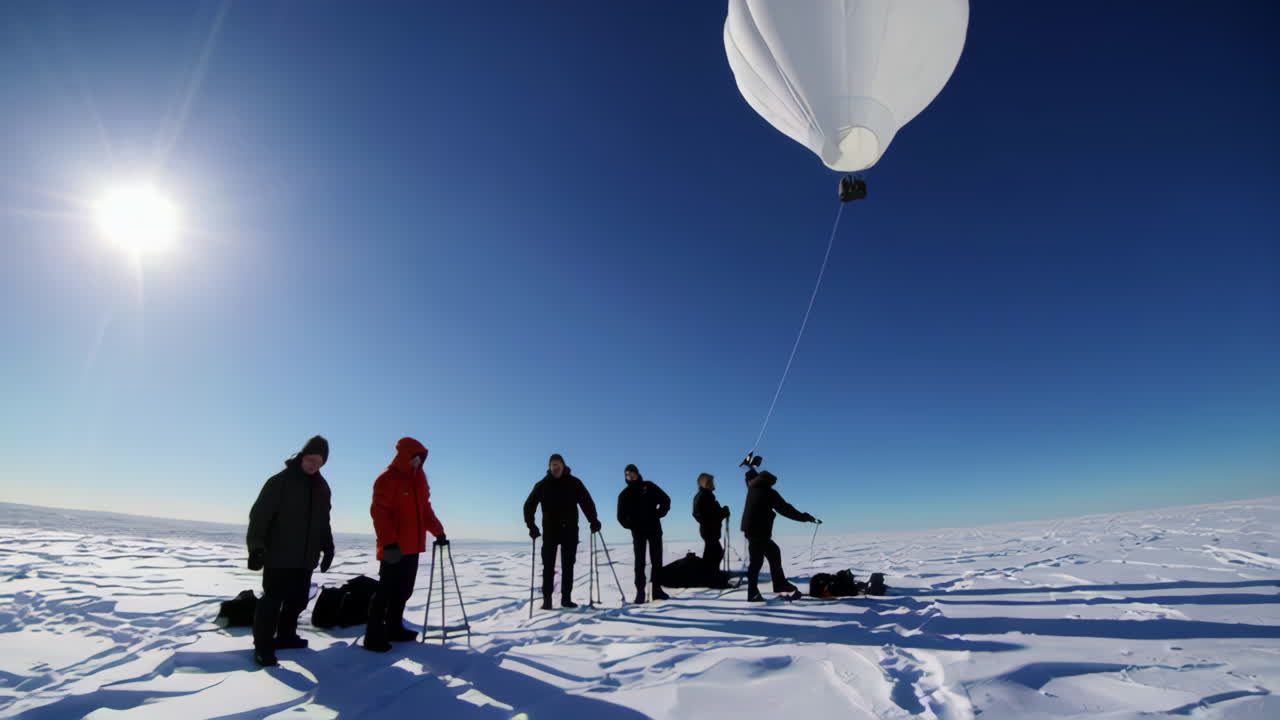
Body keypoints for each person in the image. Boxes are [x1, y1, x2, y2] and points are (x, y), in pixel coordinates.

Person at [246, 435, 335, 667]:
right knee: (272, 602)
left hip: (306, 557)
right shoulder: (280, 482)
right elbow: (259, 518)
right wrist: (256, 548)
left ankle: (286, 636)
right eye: (310, 459)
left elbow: (323, 522)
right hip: (279, 555)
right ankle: (263, 647)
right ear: (302, 456)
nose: (313, 465)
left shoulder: (322, 488)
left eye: (319, 462)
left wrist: (328, 547)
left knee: (297, 601)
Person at [364, 437, 445, 652]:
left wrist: (438, 531)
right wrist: (389, 542)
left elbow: (425, 510)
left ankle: (394, 628)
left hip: (413, 546)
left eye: (420, 458)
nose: (417, 462)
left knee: (404, 590)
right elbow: (379, 513)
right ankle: (373, 635)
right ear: (403, 456)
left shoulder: (419, 480)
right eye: (413, 457)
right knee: (385, 592)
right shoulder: (388, 478)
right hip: (394, 548)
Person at [523, 453, 601, 610]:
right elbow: (529, 505)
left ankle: (566, 599)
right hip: (550, 532)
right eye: (552, 465)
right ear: (549, 467)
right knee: (548, 567)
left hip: (570, 531)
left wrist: (593, 520)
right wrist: (531, 526)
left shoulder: (574, 483)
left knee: (568, 566)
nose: (555, 468)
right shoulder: (542, 485)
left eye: (558, 464)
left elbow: (586, 501)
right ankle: (547, 600)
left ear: (563, 466)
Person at [740, 469, 817, 602]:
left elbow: (749, 479)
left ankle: (777, 584)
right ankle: (757, 591)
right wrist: (804, 517)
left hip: (751, 530)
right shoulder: (768, 492)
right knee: (759, 560)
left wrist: (750, 467)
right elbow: (785, 509)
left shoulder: (753, 489)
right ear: (767, 481)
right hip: (759, 531)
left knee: (771, 554)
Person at [616, 463, 671, 603]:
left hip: (654, 529)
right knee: (639, 562)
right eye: (627, 474)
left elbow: (666, 499)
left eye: (632, 473)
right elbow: (620, 517)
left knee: (657, 560)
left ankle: (657, 590)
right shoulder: (624, 494)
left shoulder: (649, 486)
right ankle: (640, 592)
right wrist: (632, 525)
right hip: (638, 532)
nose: (630, 476)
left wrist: (659, 514)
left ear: (637, 473)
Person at [692, 472, 730, 571]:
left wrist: (721, 512)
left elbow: (707, 513)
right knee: (716, 553)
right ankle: (712, 577)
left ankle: (710, 576)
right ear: (707, 483)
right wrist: (724, 512)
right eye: (711, 482)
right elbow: (712, 514)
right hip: (710, 531)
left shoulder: (701, 496)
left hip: (707, 530)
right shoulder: (706, 496)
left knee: (712, 553)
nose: (713, 484)